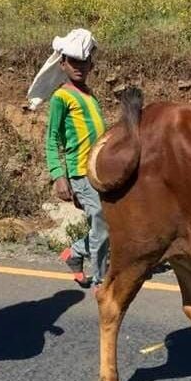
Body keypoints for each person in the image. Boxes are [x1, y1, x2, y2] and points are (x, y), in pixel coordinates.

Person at [39, 29, 108, 288]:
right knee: (102, 219)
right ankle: (102, 279)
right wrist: (59, 175)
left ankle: (75, 253)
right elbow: (51, 138)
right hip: (80, 172)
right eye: (73, 61)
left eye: (84, 61)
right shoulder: (61, 96)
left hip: (100, 172)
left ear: (92, 64)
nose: (79, 67)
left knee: (106, 222)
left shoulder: (90, 96)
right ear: (62, 64)